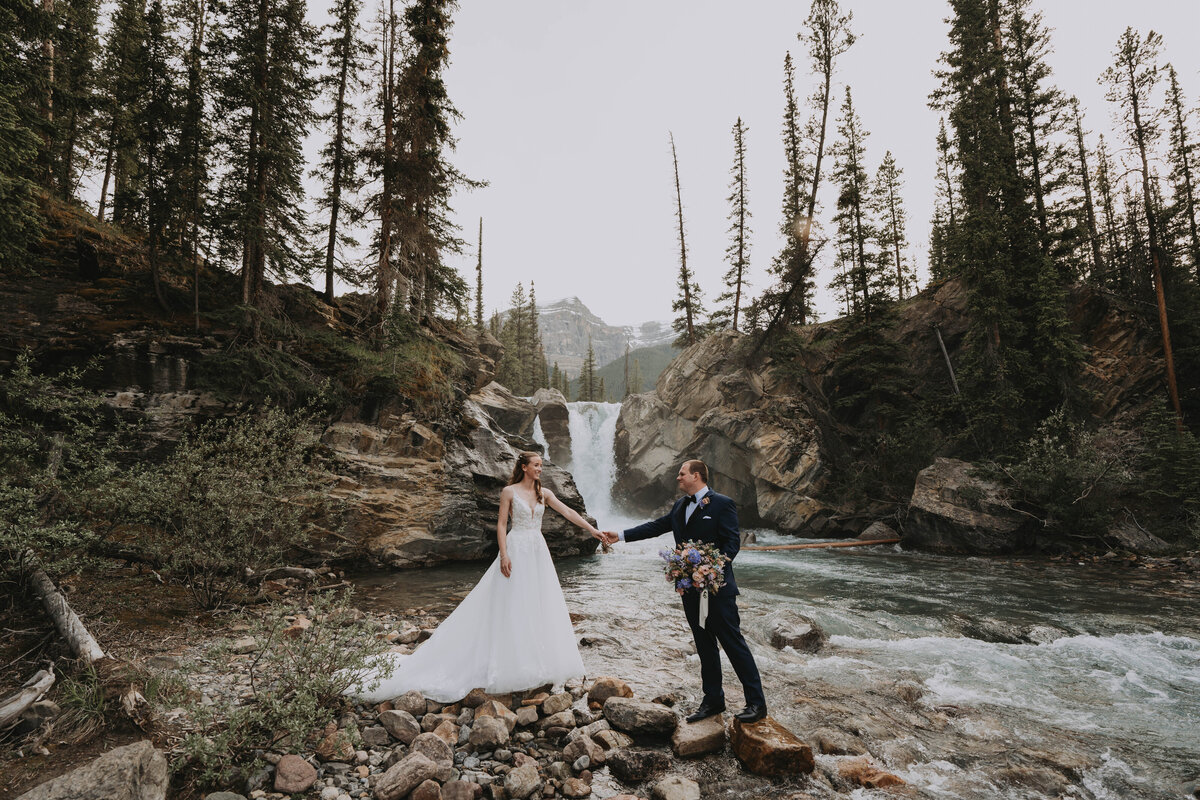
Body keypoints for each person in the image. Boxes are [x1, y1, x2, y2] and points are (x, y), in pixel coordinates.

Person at [352, 451, 607, 703]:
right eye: (537, 465)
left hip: (537, 551)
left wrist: (593, 530)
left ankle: (537, 661)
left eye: (541, 465)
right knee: (511, 602)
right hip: (516, 547)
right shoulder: (509, 491)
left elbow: (569, 513)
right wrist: (504, 555)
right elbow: (500, 525)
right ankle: (509, 662)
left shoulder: (545, 493)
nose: (540, 469)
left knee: (538, 602)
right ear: (525, 467)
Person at [604, 459, 767, 723]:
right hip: (690, 589)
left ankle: (757, 704)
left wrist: (711, 570)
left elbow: (732, 543)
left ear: (697, 476)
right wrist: (620, 535)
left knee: (733, 645)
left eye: (682, 474)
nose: (678, 478)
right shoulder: (681, 505)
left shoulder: (722, 504)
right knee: (704, 645)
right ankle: (713, 700)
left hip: (718, 590)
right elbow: (657, 526)